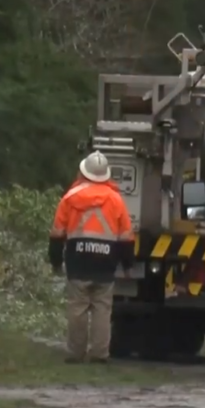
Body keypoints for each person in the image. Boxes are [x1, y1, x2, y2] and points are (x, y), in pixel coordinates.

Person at [49, 151, 135, 364]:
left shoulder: (70, 198)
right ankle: (99, 354)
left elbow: (57, 234)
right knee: (102, 308)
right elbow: (126, 236)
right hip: (106, 260)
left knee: (77, 307)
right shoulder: (116, 200)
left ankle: (76, 353)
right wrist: (127, 265)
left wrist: (56, 262)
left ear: (83, 172)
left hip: (77, 259)